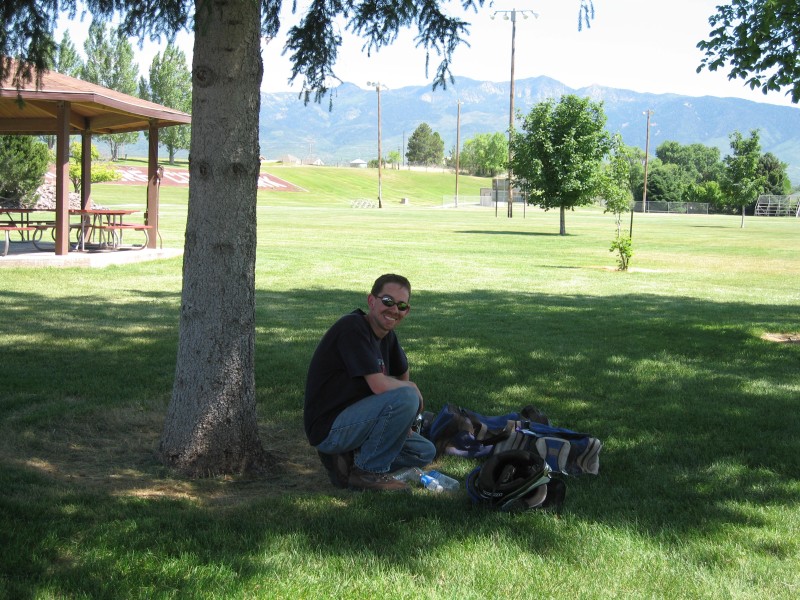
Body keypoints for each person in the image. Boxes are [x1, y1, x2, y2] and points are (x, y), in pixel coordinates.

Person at [304, 274, 436, 491]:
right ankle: (368, 472)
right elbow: (379, 385)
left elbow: (403, 371)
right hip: (330, 428)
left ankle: (347, 465)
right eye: (388, 301)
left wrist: (405, 420)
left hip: (359, 424)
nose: (394, 310)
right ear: (371, 301)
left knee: (424, 451)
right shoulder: (352, 327)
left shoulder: (387, 336)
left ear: (407, 310)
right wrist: (411, 392)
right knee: (407, 395)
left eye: (401, 305)